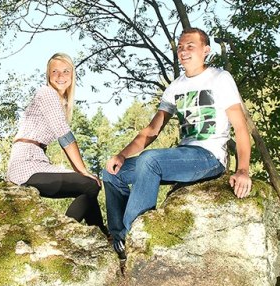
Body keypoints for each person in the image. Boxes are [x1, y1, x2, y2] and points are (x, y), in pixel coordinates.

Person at [102, 27, 252, 261]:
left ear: (206, 50)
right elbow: (152, 130)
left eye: (190, 46)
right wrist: (121, 155)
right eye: (180, 47)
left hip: (208, 157)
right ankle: (117, 238)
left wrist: (243, 170)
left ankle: (133, 237)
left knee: (150, 160)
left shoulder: (220, 78)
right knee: (112, 173)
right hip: (183, 156)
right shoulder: (175, 87)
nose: (183, 51)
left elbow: (241, 129)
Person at [6, 53, 108, 235]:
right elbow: (64, 135)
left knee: (89, 187)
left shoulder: (59, 102)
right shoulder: (46, 93)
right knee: (90, 183)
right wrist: (83, 170)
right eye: (55, 71)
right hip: (26, 165)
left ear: (72, 75)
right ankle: (63, 235)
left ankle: (102, 234)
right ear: (48, 75)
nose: (60, 76)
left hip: (36, 162)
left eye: (65, 71)